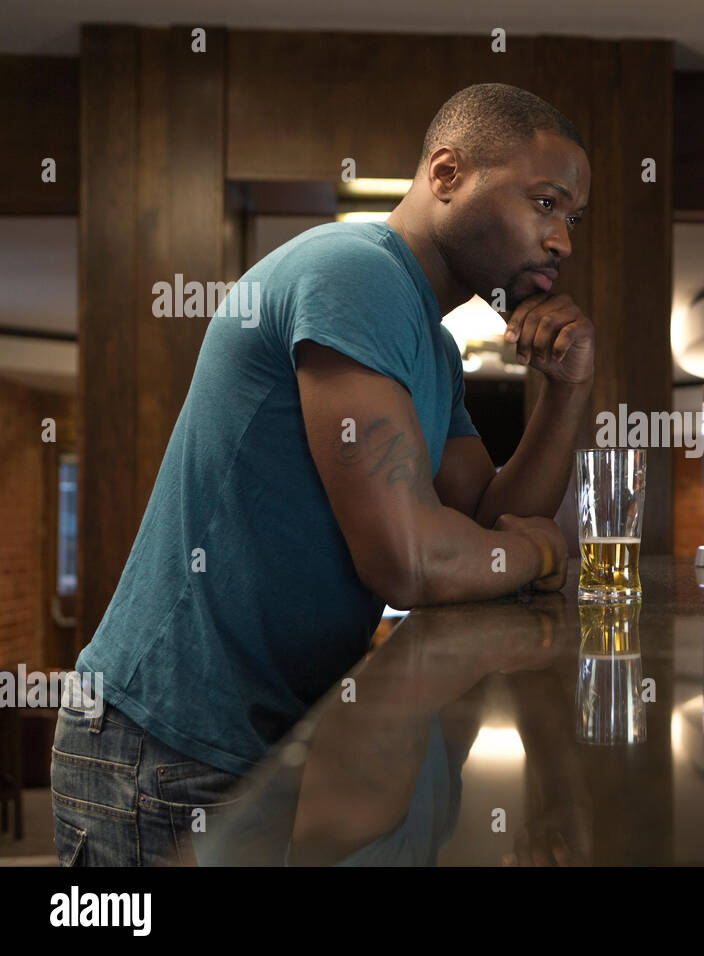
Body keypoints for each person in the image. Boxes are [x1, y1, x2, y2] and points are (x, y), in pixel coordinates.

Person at [50, 83, 593, 866]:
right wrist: (543, 552)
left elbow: (475, 531)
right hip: (161, 745)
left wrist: (568, 388)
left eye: (571, 218)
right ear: (446, 174)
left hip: (252, 745)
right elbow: (411, 560)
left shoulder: (433, 348)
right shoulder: (353, 274)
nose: (562, 240)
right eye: (545, 202)